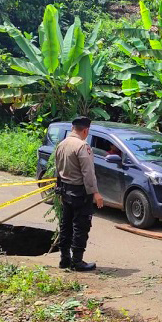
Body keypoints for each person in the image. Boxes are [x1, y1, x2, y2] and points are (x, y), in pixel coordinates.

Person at [55, 116, 104, 272]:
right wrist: (95, 193)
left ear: (72, 128)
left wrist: (58, 187)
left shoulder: (61, 144)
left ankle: (64, 259)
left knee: (66, 225)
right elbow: (88, 173)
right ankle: (77, 261)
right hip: (80, 193)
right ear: (86, 130)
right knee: (81, 226)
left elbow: (57, 169)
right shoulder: (82, 146)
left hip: (65, 190)